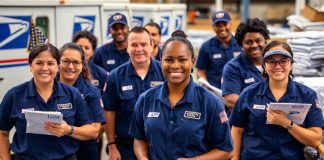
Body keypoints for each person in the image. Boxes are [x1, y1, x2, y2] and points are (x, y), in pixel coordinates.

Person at [129, 30, 233, 160]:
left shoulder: (210, 102)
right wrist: (143, 157)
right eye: (169, 60)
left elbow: (226, 150)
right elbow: (139, 139)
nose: (175, 65)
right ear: (161, 61)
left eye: (182, 60)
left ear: (193, 62)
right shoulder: (146, 99)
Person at [0, 43, 98, 160]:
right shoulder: (14, 95)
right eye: (39, 63)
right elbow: (2, 133)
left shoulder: (72, 94)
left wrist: (69, 130)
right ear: (30, 66)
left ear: (57, 67)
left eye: (50, 63)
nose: (45, 68)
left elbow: (92, 132)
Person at [230, 41, 324, 160]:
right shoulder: (249, 94)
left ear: (291, 65)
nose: (278, 66)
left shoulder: (307, 95)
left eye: (283, 61)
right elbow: (237, 129)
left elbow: (315, 141)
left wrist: (287, 124)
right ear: (264, 65)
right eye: (271, 61)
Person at [103, 27, 164, 160]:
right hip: (125, 148)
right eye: (134, 45)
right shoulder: (115, 76)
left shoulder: (164, 72)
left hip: (159, 147)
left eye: (143, 44)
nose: (139, 49)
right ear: (127, 47)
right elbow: (110, 112)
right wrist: (112, 146)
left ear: (152, 45)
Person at [58, 43, 105, 160]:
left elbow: (95, 131)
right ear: (58, 62)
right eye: (66, 61)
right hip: (54, 151)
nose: (70, 66)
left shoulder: (91, 92)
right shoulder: (48, 86)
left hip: (83, 152)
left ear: (83, 65)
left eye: (76, 62)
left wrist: (68, 130)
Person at [222, 18, 270, 111]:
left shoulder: (274, 63)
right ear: (241, 45)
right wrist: (263, 110)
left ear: (265, 41)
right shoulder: (232, 68)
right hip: (244, 123)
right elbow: (232, 102)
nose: (254, 45)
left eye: (258, 40)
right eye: (249, 42)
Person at [196, 11, 241, 89]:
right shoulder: (206, 47)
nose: (222, 28)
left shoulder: (241, 44)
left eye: (225, 24)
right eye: (218, 25)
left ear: (230, 24)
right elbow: (201, 71)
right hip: (215, 93)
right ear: (213, 27)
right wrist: (206, 86)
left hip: (238, 91)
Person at [72, 30, 108, 95]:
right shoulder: (65, 71)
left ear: (92, 52)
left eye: (87, 48)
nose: (82, 50)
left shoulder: (101, 74)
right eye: (79, 47)